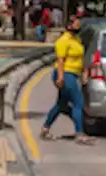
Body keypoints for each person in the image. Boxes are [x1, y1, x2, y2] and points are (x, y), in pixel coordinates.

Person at [40, 13, 94, 145]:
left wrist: (83, 73)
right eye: (76, 23)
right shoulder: (63, 41)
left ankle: (45, 129)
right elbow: (60, 60)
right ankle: (79, 133)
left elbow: (80, 58)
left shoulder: (76, 39)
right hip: (66, 74)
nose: (78, 26)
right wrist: (60, 77)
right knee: (78, 103)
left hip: (74, 74)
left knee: (61, 104)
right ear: (69, 25)